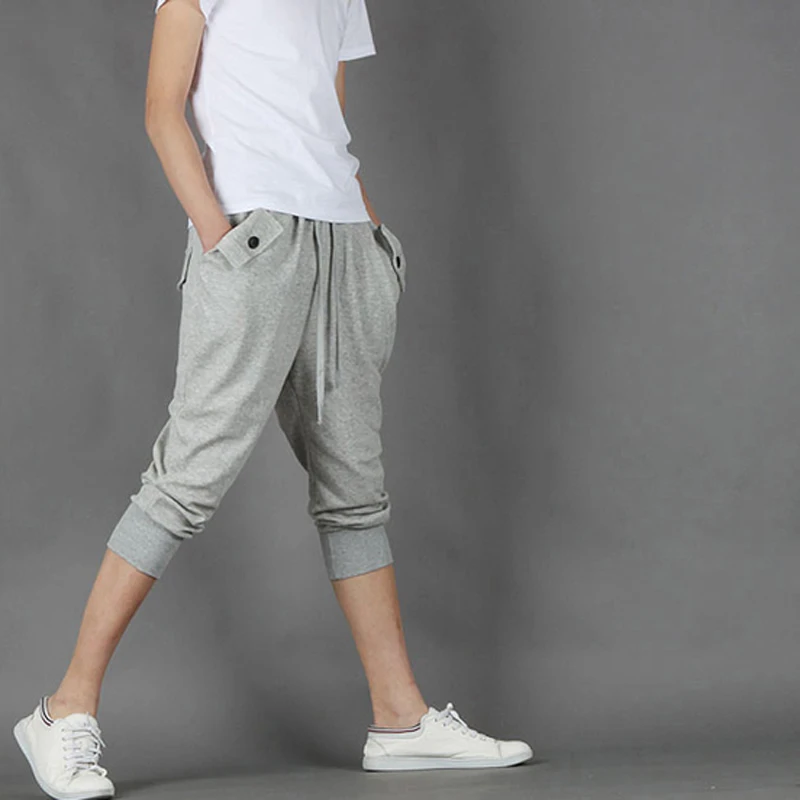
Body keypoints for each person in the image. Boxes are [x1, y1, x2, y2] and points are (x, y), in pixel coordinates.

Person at [12, 1, 534, 797]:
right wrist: (220, 239)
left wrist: (372, 239)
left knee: (355, 490)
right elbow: (162, 110)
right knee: (186, 481)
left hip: (345, 243)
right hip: (254, 238)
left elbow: (327, 117)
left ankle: (400, 718)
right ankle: (64, 709)